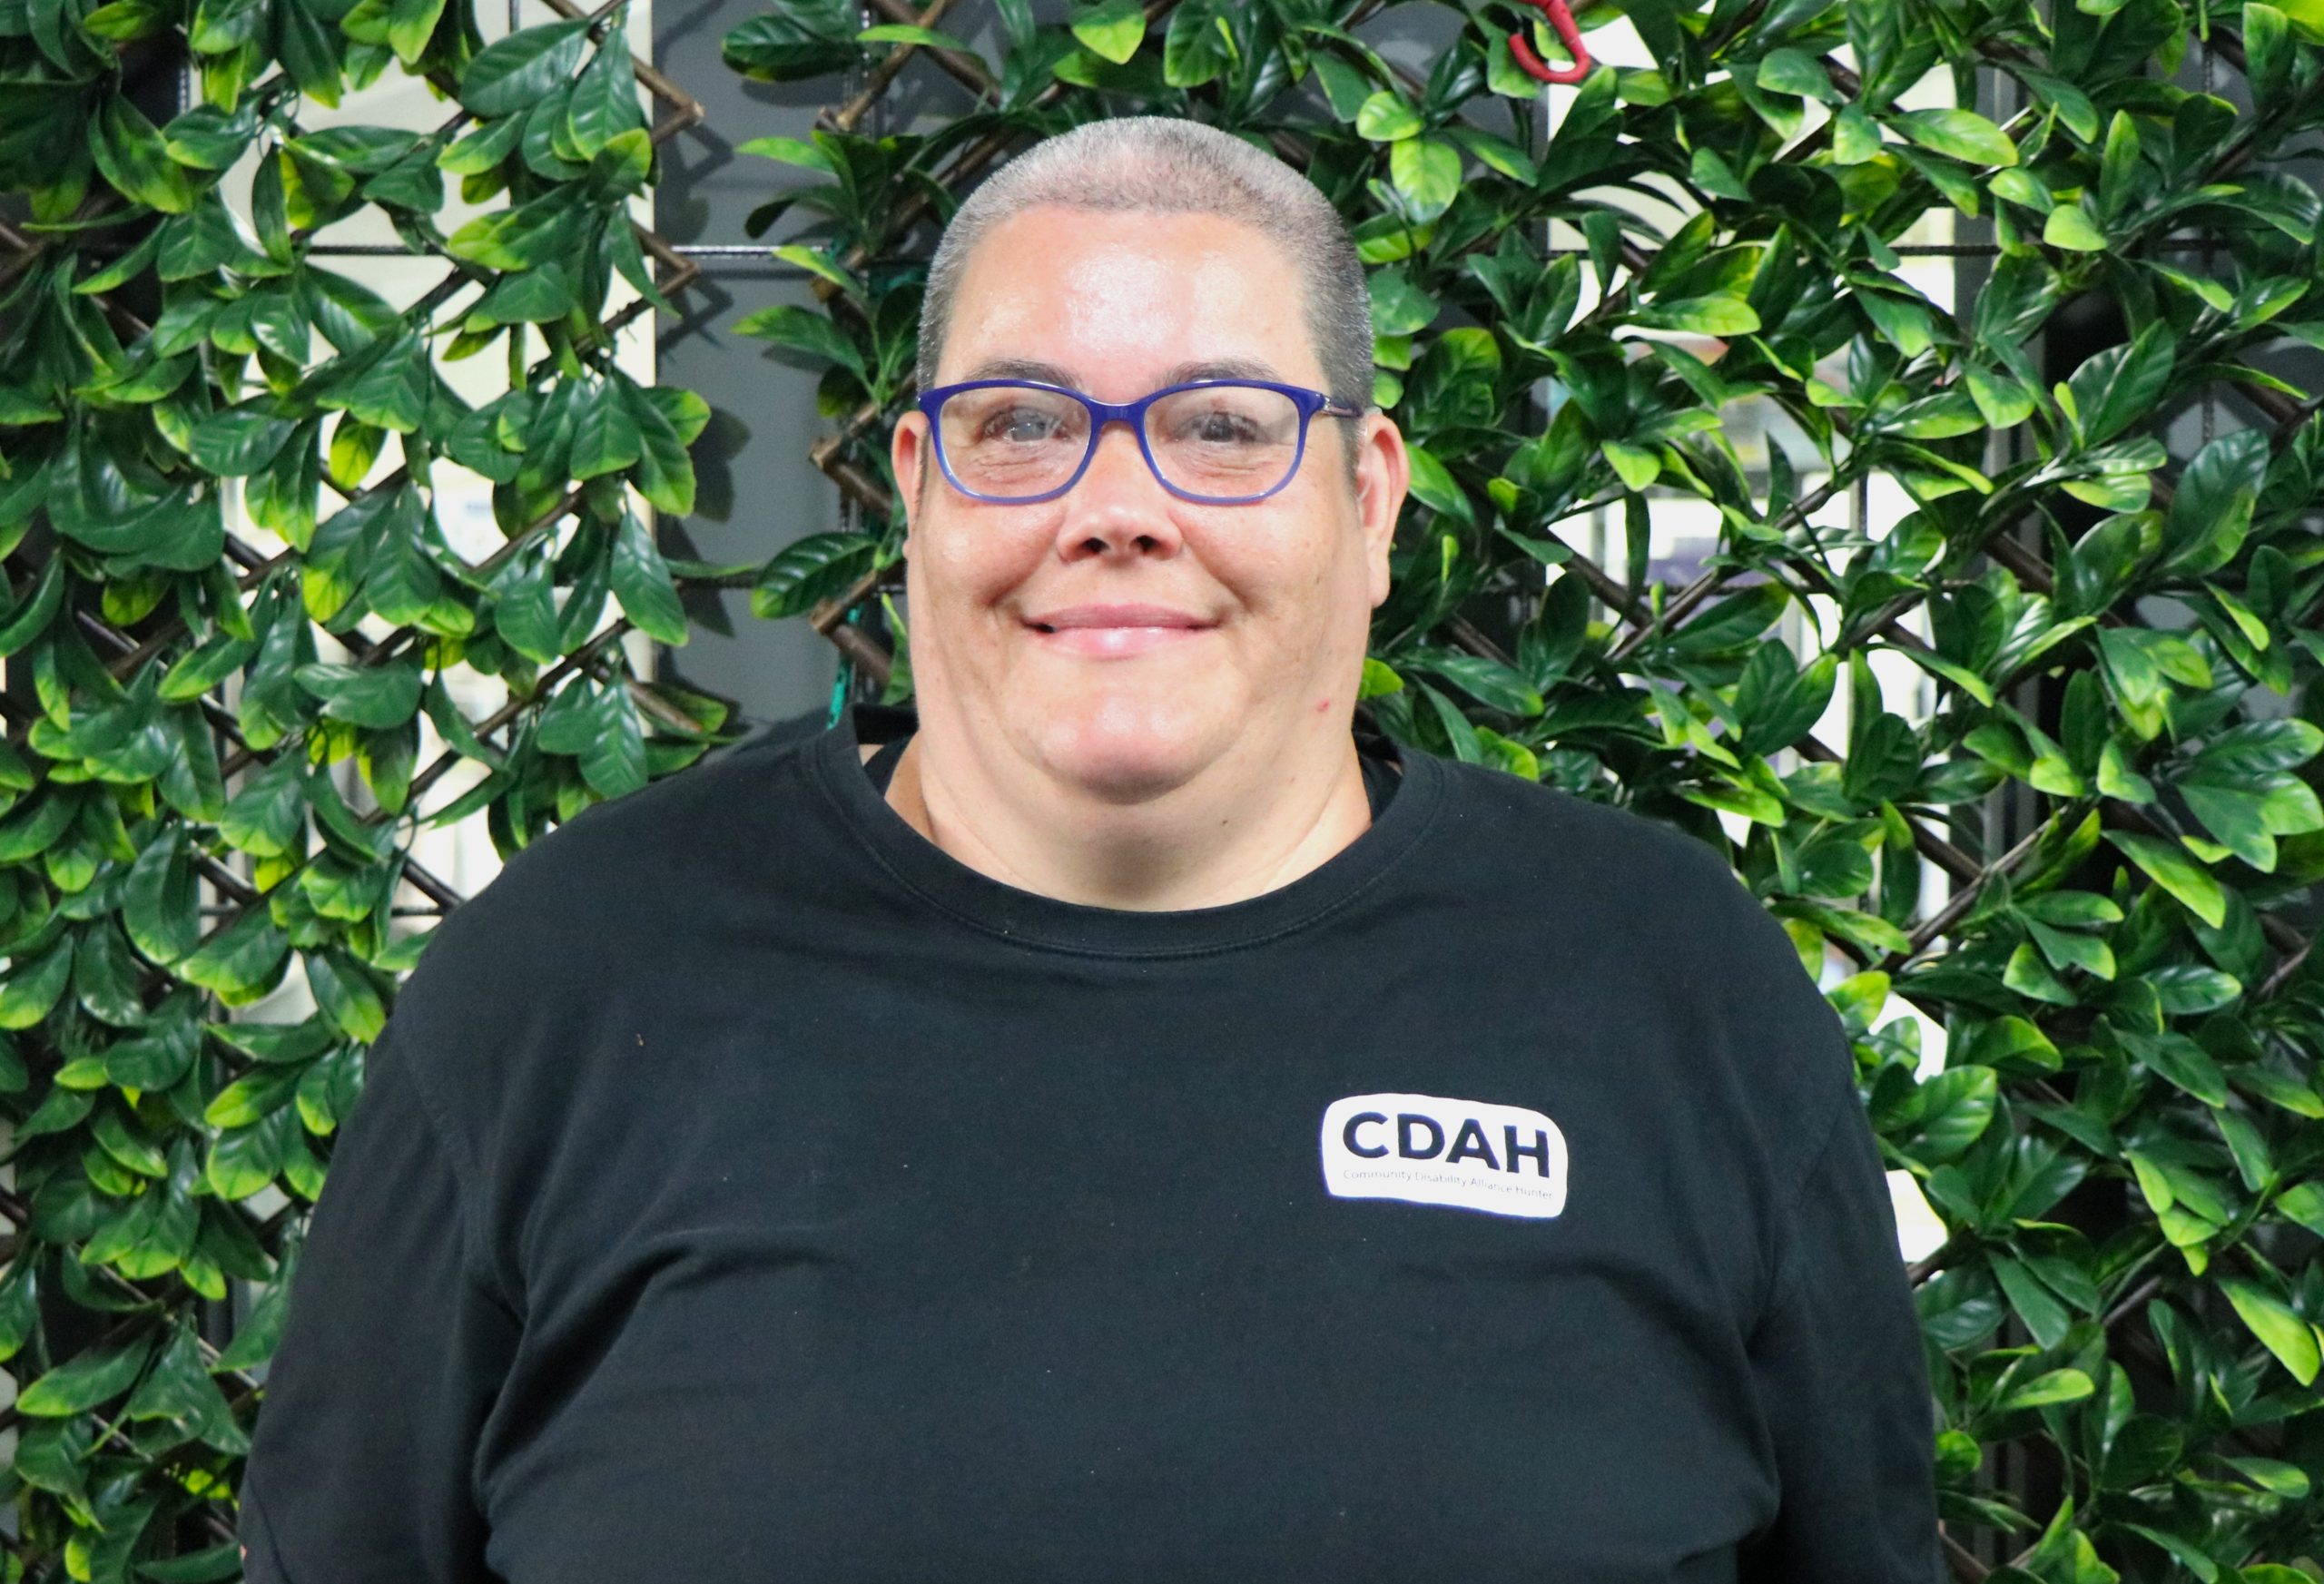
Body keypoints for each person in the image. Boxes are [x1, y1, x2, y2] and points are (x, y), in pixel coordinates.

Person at [235, 114, 1942, 1581]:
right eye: (1024, 423)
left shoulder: (1664, 981)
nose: (1115, 503)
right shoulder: (564, 983)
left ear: (1370, 502)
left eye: (1219, 424)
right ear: (916, 486)